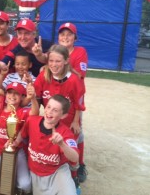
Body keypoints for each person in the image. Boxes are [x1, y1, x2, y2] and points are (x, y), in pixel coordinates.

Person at [33, 45, 85, 193]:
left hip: (69, 122)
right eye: (51, 60)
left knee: (69, 152)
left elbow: (78, 103)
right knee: (53, 150)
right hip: (51, 121)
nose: (54, 64)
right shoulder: (44, 76)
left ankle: (74, 176)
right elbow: (36, 95)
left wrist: (76, 121)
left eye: (58, 61)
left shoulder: (74, 80)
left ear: (66, 61)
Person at [12, 94, 79, 195]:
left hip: (56, 172)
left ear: (63, 115)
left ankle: (72, 183)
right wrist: (16, 142)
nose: (49, 112)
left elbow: (75, 157)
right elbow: (23, 133)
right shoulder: (32, 121)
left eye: (55, 110)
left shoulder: (65, 133)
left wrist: (62, 144)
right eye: (48, 107)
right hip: (36, 171)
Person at [0, 82, 39, 195]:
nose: (12, 96)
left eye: (16, 94)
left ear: (23, 97)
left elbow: (35, 112)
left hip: (17, 152)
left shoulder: (22, 112)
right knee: (1, 185)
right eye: (10, 92)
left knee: (25, 186)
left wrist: (32, 98)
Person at [57, 22, 88, 183]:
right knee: (59, 127)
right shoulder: (56, 51)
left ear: (75, 37)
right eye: (62, 34)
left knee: (76, 130)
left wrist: (66, 65)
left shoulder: (80, 51)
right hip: (60, 94)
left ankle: (79, 164)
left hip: (75, 96)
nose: (65, 37)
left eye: (69, 34)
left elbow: (80, 75)